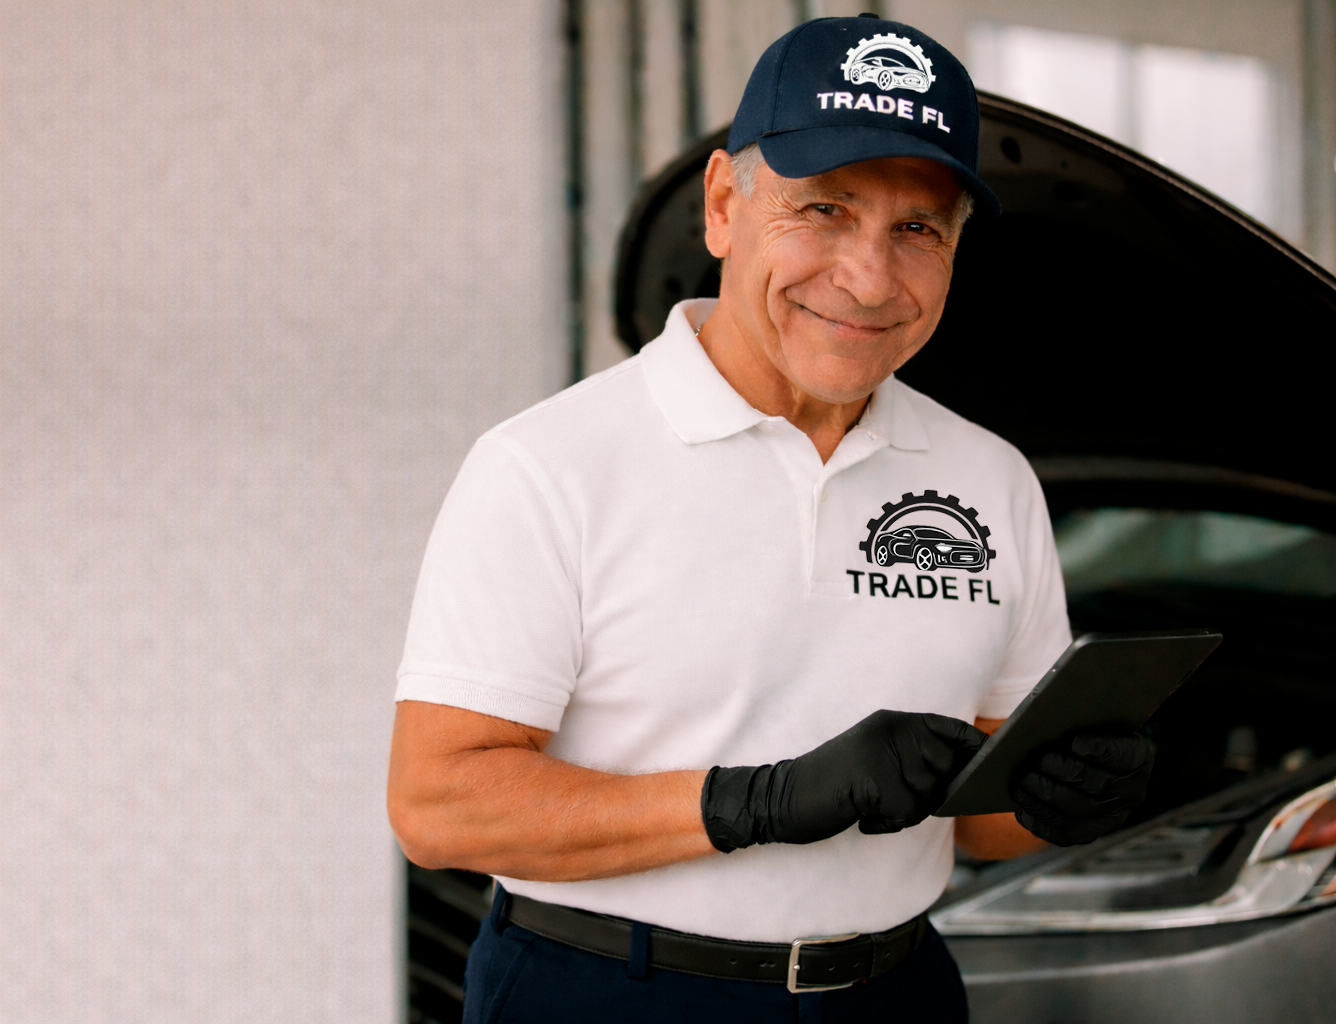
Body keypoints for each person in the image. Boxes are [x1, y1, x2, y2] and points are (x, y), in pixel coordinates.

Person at [387, 14, 1154, 1023]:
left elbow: (983, 817)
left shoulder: (990, 476)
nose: (869, 278)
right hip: (611, 993)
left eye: (917, 228)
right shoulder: (550, 465)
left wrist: (1059, 800)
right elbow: (438, 805)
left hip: (896, 993)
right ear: (722, 205)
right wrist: (756, 800)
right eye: (823, 211)